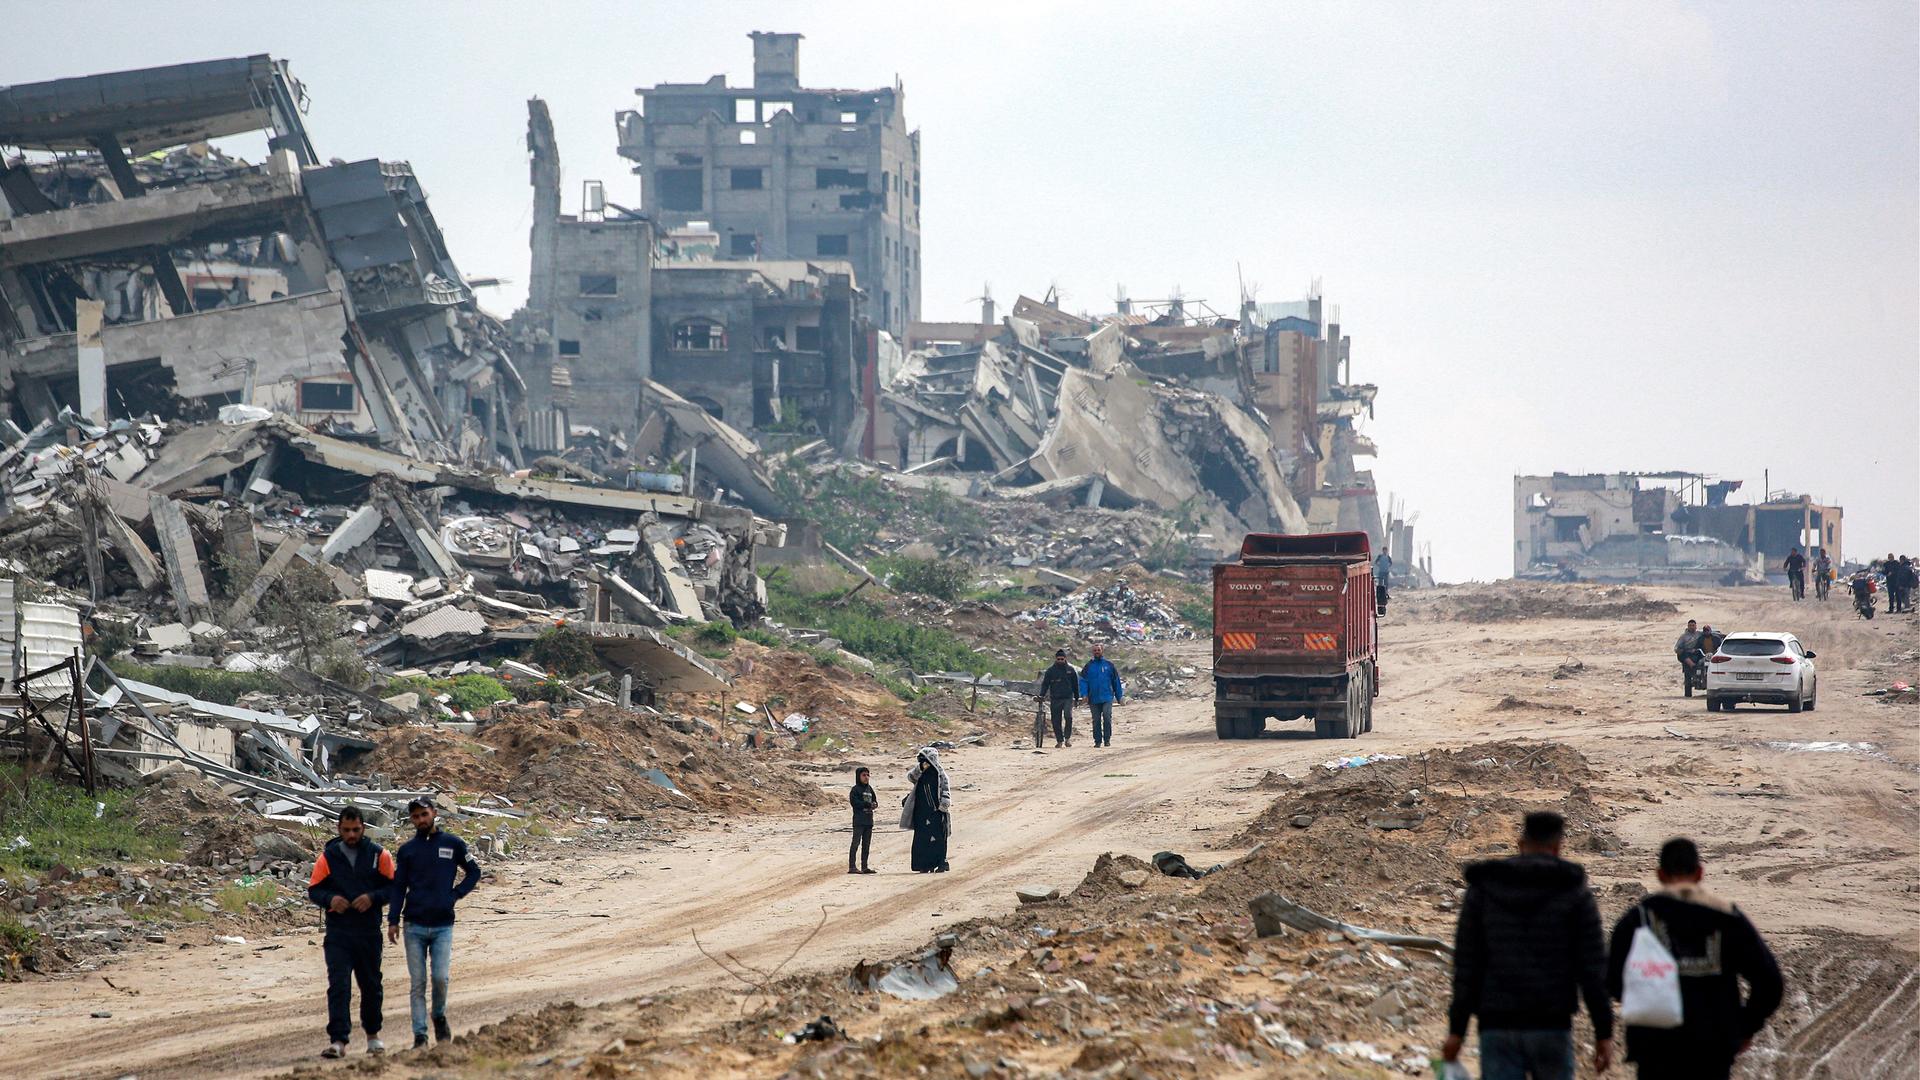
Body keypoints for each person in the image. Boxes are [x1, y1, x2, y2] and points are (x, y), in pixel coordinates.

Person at [1444, 811, 1614, 1080]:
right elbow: (1592, 969)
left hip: (1496, 1024)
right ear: (1558, 848)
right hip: (1551, 1024)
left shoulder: (1484, 890)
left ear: (1521, 845)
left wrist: (1457, 1030)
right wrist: (1604, 1032)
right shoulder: (1574, 892)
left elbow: (1467, 963)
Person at [1606, 838, 1783, 1079]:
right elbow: (1769, 982)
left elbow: (1612, 980)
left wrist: (1644, 1002)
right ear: (1700, 873)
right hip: (1713, 1048)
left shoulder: (1639, 918)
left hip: (1657, 1048)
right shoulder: (1728, 918)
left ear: (1660, 874)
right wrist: (1745, 1026)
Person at [387, 798, 480, 1049]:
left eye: (424, 814)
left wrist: (456, 894)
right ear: (411, 819)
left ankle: (438, 1016)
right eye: (416, 816)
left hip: (442, 925)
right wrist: (393, 920)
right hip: (414, 925)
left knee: (440, 977)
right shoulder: (407, 851)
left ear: (435, 813)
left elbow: (474, 871)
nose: (421, 820)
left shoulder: (453, 844)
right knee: (418, 983)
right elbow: (398, 887)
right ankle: (420, 1035)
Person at [307, 807, 395, 1058]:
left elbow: (394, 887)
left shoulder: (379, 855)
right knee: (339, 986)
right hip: (338, 935)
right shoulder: (329, 857)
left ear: (363, 828)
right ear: (339, 829)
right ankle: (338, 1041)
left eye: (356, 830)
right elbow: (314, 889)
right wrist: (331, 899)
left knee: (371, 985)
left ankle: (373, 1036)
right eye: (346, 830)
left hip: (368, 933)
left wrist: (373, 898)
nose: (351, 835)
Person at [905, 748, 950, 873]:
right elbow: (910, 777)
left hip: (936, 811)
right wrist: (920, 768)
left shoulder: (940, 774)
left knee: (938, 838)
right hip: (921, 812)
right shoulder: (920, 774)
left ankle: (941, 862)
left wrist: (943, 805)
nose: (924, 762)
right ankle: (924, 865)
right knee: (922, 839)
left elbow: (945, 790)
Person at [1079, 643, 1124, 748]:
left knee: (1107, 717)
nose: (1097, 652)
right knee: (1096, 720)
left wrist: (1119, 697)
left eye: (1098, 650)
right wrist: (1084, 694)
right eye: (1095, 650)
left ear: (1102, 651)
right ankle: (1097, 741)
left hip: (1107, 697)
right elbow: (1083, 681)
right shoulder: (1088, 666)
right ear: (1092, 652)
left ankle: (1107, 739)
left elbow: (1115, 681)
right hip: (1093, 698)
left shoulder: (1109, 665)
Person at [1037, 649, 1081, 748]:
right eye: (1058, 659)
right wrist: (1042, 695)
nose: (1060, 660)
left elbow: (1075, 685)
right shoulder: (1050, 671)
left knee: (1068, 716)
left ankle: (1067, 738)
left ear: (1065, 659)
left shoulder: (1070, 670)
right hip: (1055, 698)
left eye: (1062, 659)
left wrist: (1077, 698)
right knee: (1056, 720)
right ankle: (1059, 740)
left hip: (1067, 698)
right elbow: (1045, 684)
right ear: (1056, 659)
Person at [848, 767, 877, 875]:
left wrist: (874, 805)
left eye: (867, 775)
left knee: (866, 845)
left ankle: (865, 866)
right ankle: (852, 866)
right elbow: (855, 803)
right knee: (855, 844)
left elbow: (875, 800)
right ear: (858, 776)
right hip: (859, 821)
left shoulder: (869, 789)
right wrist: (867, 804)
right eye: (864, 775)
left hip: (869, 821)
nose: (866, 777)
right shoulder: (855, 790)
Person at [1673, 620, 1704, 690]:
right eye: (1690, 626)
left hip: (1697, 652)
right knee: (1682, 654)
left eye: (1693, 625)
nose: (1691, 627)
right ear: (1687, 626)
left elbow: (1710, 634)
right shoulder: (1683, 636)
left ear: (1696, 626)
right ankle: (1692, 665)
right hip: (1686, 654)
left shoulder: (1699, 634)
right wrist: (1682, 650)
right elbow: (1676, 648)